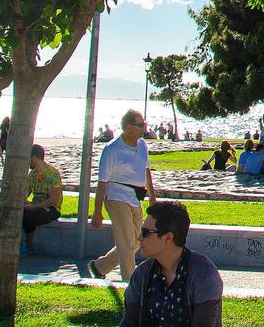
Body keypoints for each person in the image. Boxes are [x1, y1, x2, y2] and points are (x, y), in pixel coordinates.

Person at [122, 201, 224, 326]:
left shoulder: (204, 275)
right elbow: (128, 323)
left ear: (168, 238)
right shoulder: (142, 274)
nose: (139, 237)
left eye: (145, 232)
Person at [91, 110, 157, 282]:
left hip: (135, 197)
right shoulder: (112, 149)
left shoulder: (142, 145)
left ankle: (101, 266)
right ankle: (130, 282)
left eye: (144, 124)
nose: (144, 128)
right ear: (129, 127)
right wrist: (97, 211)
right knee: (126, 241)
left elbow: (146, 170)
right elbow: (102, 182)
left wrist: (152, 196)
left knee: (138, 239)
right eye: (140, 125)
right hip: (116, 195)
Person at [0, 144, 63, 256]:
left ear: (34, 158)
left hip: (51, 210)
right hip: (35, 206)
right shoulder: (32, 174)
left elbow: (54, 200)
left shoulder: (52, 174)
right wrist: (18, 202)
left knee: (26, 217)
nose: (27, 162)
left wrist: (33, 206)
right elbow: (26, 193)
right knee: (10, 212)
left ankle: (28, 245)